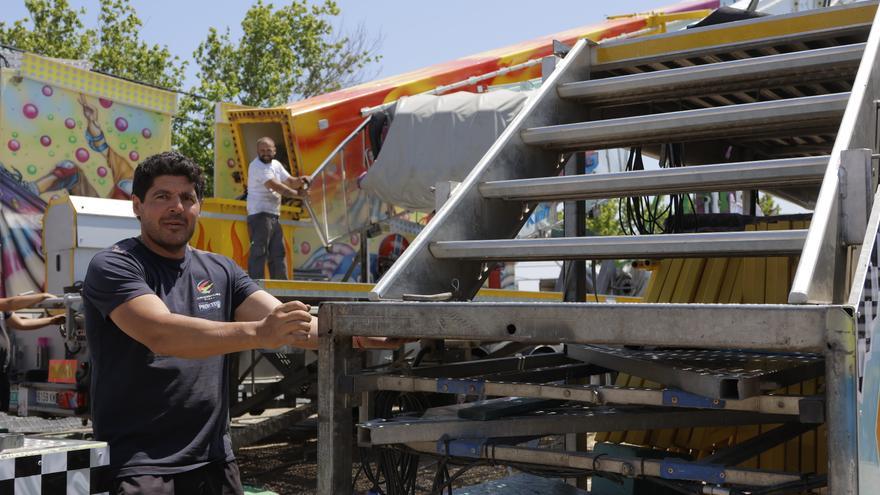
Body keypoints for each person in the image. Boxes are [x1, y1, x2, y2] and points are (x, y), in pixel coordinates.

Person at [83, 151, 399, 494]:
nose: (177, 207)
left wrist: (362, 335)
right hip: (141, 466)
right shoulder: (115, 265)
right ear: (137, 206)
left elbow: (291, 323)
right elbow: (162, 334)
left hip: (215, 461)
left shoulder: (221, 269)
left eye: (187, 198)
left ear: (198, 207)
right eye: (163, 197)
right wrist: (260, 333)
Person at [245, 137, 308, 280]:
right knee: (259, 252)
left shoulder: (276, 165)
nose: (265, 153)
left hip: (273, 214)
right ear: (257, 151)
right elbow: (276, 186)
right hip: (260, 214)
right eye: (262, 150)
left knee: (278, 253)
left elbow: (290, 181)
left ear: (274, 151)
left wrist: (302, 180)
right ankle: (256, 287)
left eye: (268, 150)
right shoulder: (256, 166)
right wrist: (299, 195)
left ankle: (281, 288)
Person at [0, 292, 66, 411]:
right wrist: (42, 296)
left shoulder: (3, 308)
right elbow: (10, 303)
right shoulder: (4, 305)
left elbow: (21, 323)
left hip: (2, 367)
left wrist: (51, 320)